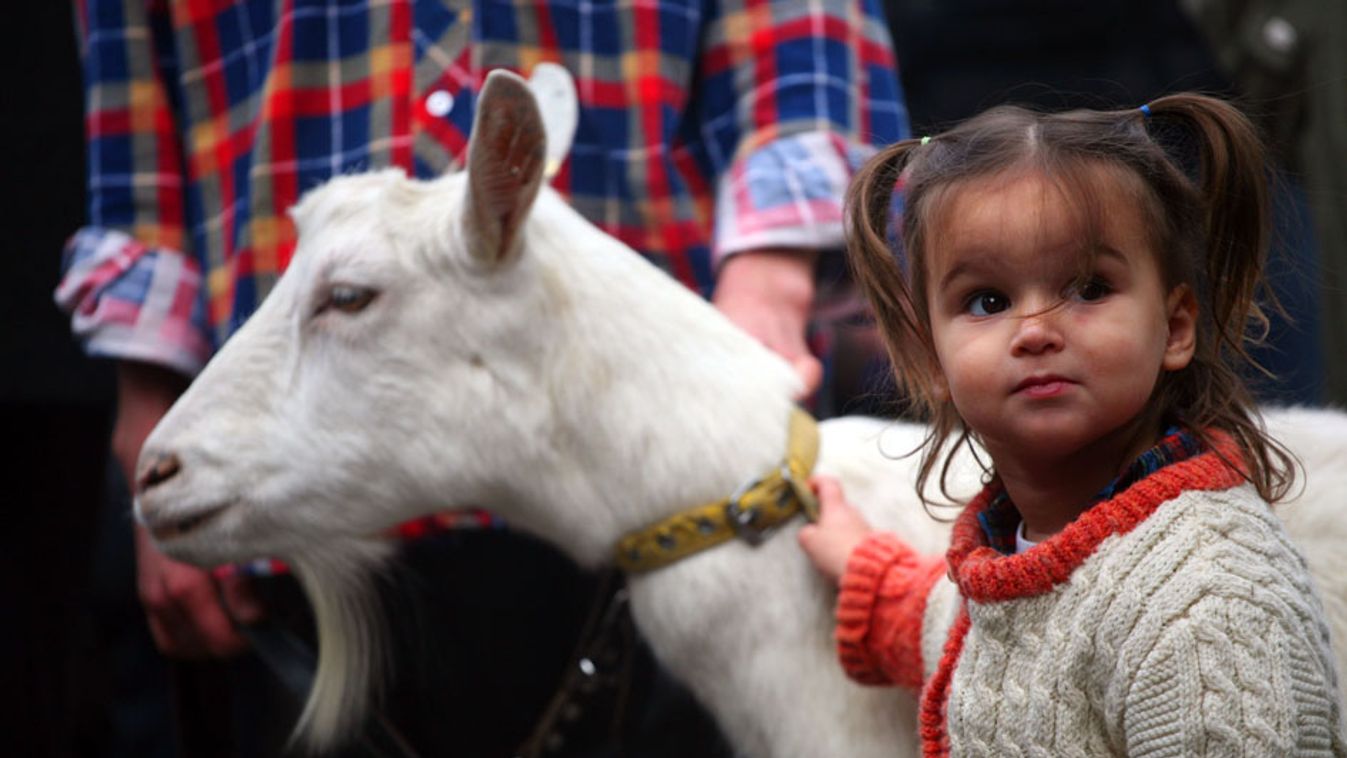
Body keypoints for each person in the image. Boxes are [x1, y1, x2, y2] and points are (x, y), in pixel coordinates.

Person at [56, 0, 907, 754]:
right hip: (306, 505)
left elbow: (801, 26)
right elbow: (130, 84)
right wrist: (149, 392)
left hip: (650, 466)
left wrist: (772, 268)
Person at [798, 92, 1345, 754]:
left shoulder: (1207, 604)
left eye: (1087, 288)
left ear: (1174, 327)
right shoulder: (1022, 552)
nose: (1034, 331)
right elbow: (987, 639)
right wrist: (864, 569)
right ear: (928, 357)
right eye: (987, 300)